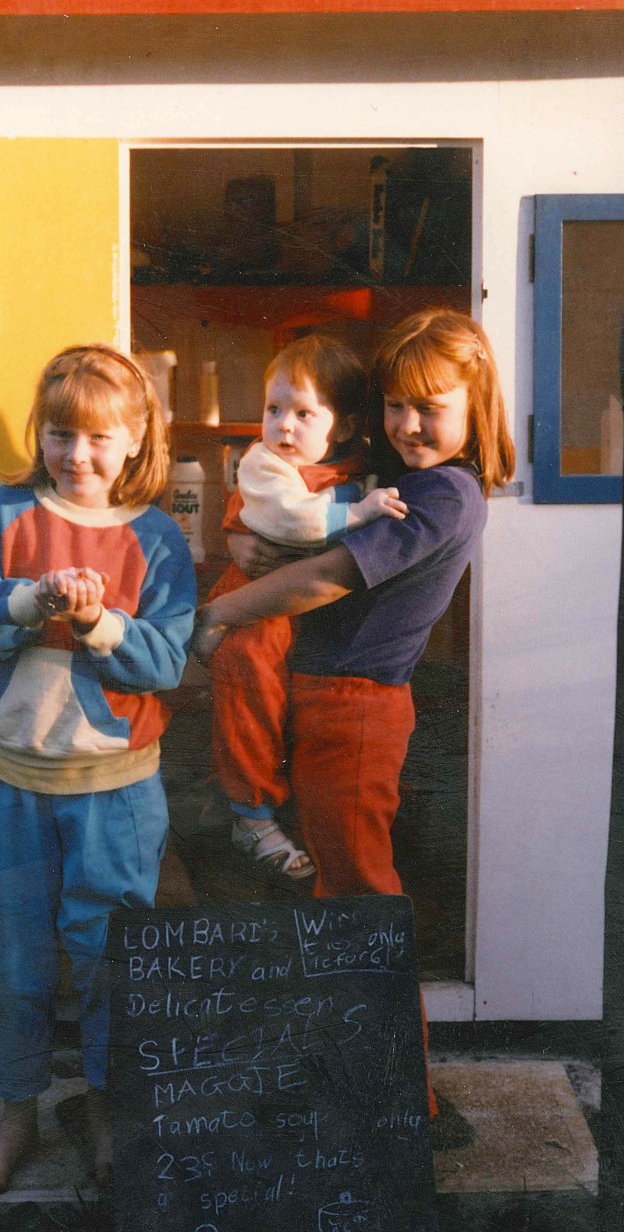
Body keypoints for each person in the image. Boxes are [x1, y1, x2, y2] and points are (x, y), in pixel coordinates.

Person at [194, 311, 515, 1117]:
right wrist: (245, 547)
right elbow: (276, 531)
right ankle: (337, 1067)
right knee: (327, 892)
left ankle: (401, 1099)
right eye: (394, 406)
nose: (407, 425)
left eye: (429, 407)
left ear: (476, 408)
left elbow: (321, 580)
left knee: (357, 894)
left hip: (355, 708)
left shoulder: (443, 491)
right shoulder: (389, 477)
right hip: (313, 695)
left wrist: (221, 617)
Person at [0, 344, 196, 1192]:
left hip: (116, 796)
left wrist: (98, 624)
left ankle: (103, 1102)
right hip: (10, 785)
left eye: (98, 437)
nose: (77, 454)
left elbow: (165, 662)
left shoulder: (157, 537)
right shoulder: (5, 510)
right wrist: (31, 600)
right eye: (60, 433)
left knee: (106, 964)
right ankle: (18, 1106)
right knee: (16, 962)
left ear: (135, 440)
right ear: (40, 435)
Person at [206, 334, 408, 879]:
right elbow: (291, 519)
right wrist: (360, 515)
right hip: (257, 603)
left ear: (341, 427)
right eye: (273, 410)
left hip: (315, 614)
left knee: (299, 717)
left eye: (302, 413)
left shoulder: (362, 465)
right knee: (248, 687)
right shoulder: (263, 463)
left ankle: (285, 807)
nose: (283, 426)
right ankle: (250, 812)